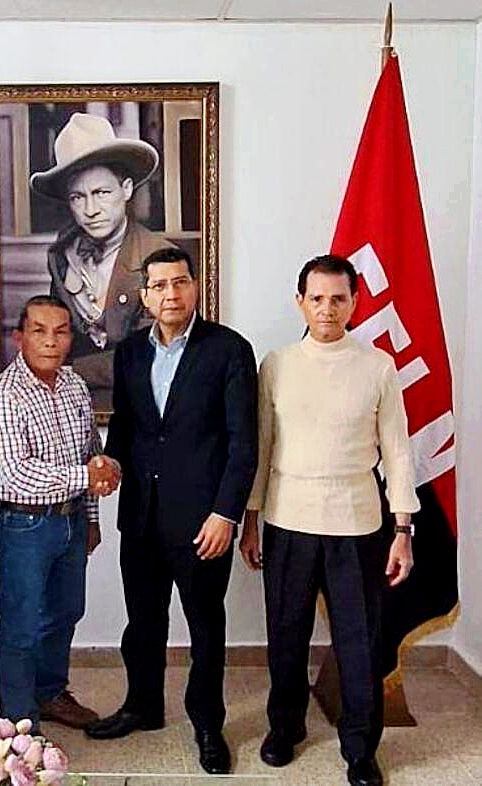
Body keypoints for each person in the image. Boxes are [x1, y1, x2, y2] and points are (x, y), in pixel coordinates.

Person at [240, 255, 418, 786]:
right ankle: (284, 727)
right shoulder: (277, 364)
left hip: (357, 524)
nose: (327, 309)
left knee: (359, 641)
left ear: (354, 303)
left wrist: (403, 530)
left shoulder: (377, 366)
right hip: (288, 519)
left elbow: (398, 452)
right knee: (286, 634)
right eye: (316, 298)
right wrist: (251, 520)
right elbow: (262, 446)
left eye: (338, 299)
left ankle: (360, 747)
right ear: (300, 302)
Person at [85, 247, 258, 775]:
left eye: (180, 282)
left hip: (203, 521)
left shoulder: (228, 350)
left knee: (205, 625)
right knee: (143, 621)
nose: (171, 294)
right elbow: (128, 427)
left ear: (195, 287)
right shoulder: (130, 353)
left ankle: (207, 723)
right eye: (159, 286)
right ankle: (142, 705)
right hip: (141, 515)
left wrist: (226, 514)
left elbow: (243, 443)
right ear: (144, 296)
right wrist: (110, 463)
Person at [0, 295, 120, 732]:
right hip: (26, 525)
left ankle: (51, 693)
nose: (51, 341)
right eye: (39, 331)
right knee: (21, 624)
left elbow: (90, 451)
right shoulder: (3, 396)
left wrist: (91, 517)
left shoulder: (74, 384)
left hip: (72, 520)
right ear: (19, 337)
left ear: (71, 338)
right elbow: (18, 473)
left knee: (65, 612)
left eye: (60, 331)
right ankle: (19, 722)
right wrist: (89, 476)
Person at [30, 112, 176, 411]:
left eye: (101, 193)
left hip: (143, 406)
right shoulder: (61, 256)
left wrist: (70, 371)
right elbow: (59, 333)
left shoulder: (161, 258)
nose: (90, 209)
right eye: (77, 197)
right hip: (75, 407)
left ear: (126, 189)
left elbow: (153, 355)